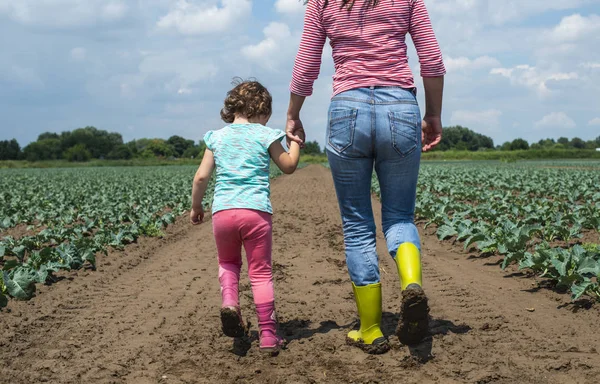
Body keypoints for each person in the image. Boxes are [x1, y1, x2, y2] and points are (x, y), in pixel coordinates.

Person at [286, 0, 445, 354]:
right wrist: (433, 114)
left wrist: (293, 114)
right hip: (401, 108)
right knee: (400, 216)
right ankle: (410, 286)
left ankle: (371, 329)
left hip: (347, 110)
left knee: (358, 225)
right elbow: (431, 59)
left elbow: (307, 63)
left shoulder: (322, 2)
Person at [190, 79, 301, 354]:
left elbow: (202, 176)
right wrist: (295, 142)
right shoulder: (265, 136)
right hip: (256, 212)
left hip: (223, 213)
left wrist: (196, 207)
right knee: (260, 273)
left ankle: (230, 303)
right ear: (263, 111)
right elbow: (288, 166)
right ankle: (267, 336)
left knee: (228, 262)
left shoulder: (216, 137)